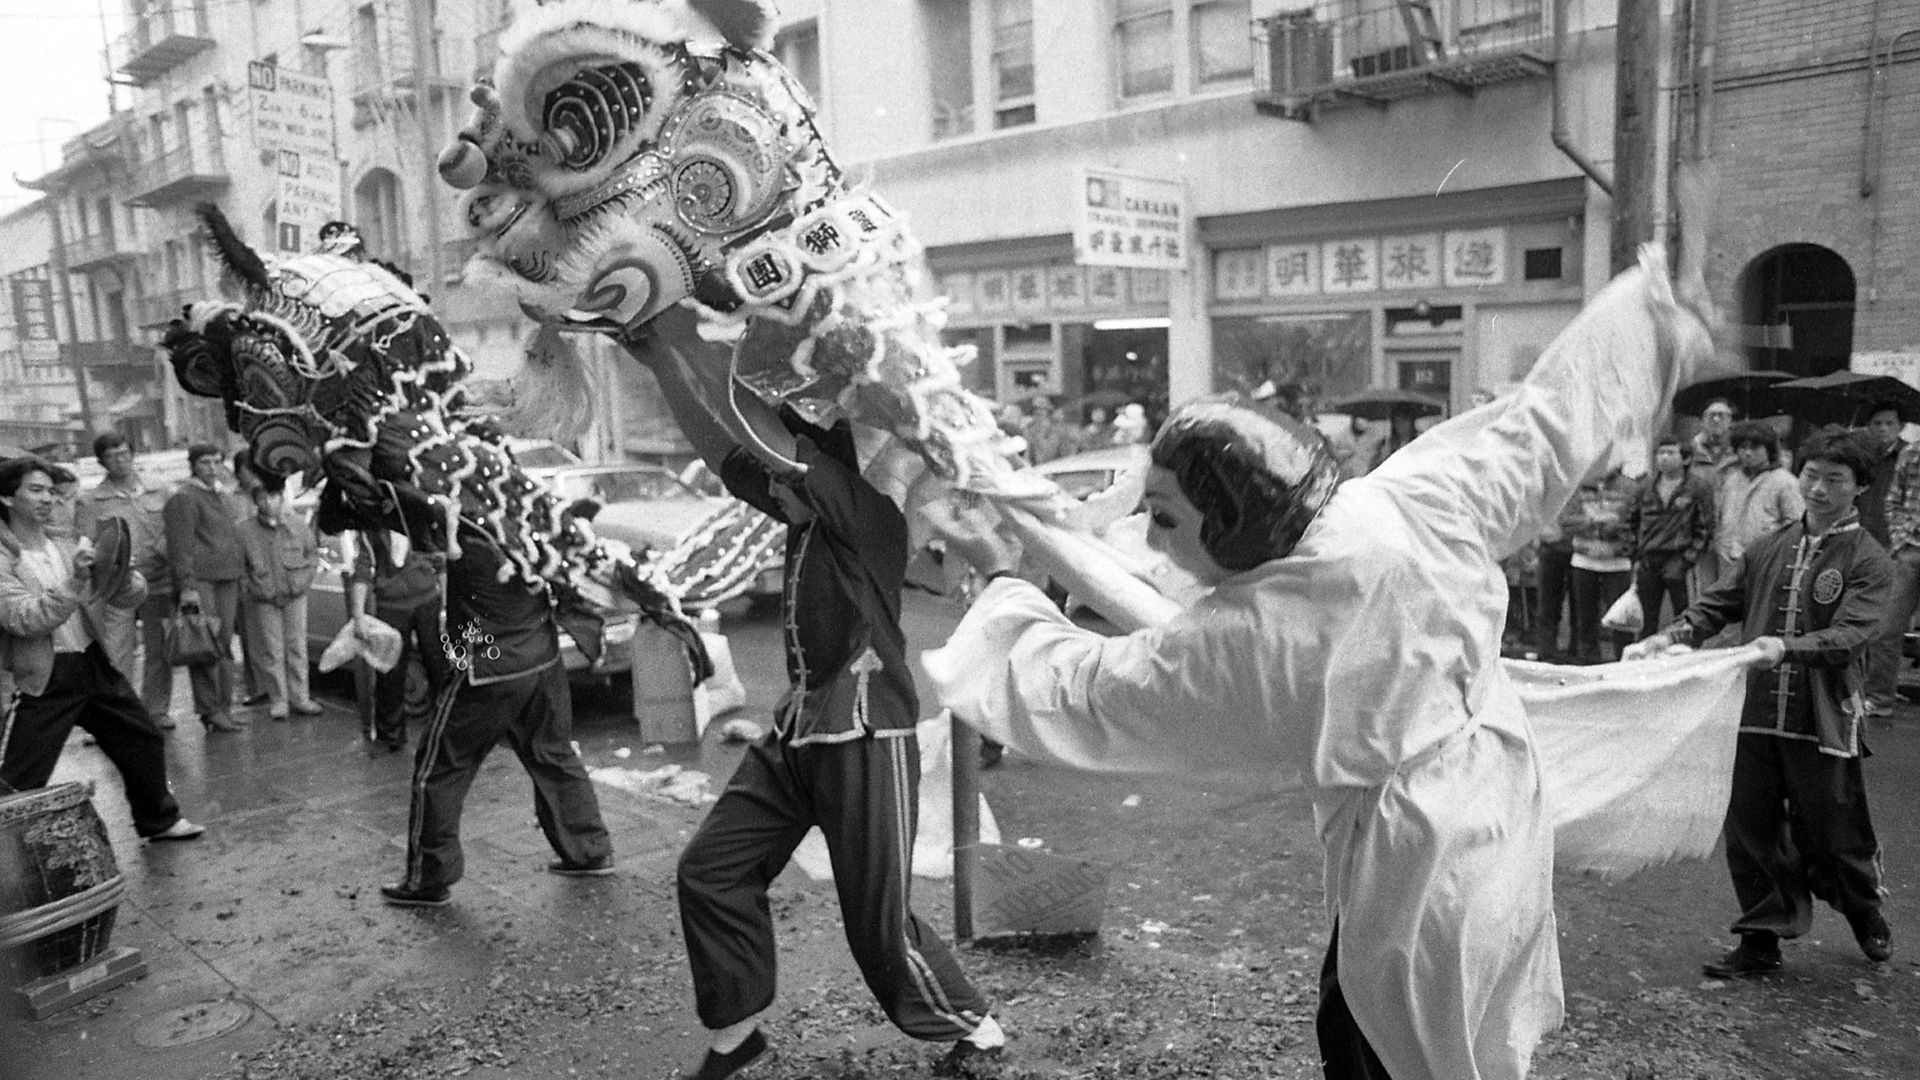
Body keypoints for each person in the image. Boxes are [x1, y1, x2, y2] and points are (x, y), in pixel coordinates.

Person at [925, 249, 1716, 1080]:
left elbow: (1090, 692)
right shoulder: (1409, 495)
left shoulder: (1254, 634)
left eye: (1162, 517)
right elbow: (1550, 418)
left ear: (1233, 518)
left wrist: (1009, 586)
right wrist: (1650, 314)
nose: (1152, 540)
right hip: (1497, 816)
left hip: (1418, 864)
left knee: (1386, 1041)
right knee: (1417, 1029)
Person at [635, 325, 1004, 1080]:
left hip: (866, 731)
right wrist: (660, 359)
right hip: (799, 730)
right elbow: (726, 453)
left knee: (878, 926)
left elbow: (762, 446)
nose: (767, 492)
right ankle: (737, 1034)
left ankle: (976, 1027)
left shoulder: (865, 514)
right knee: (710, 871)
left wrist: (680, 332)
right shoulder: (809, 514)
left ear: (815, 470)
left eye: (782, 479)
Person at [1627, 427, 1894, 977]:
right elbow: (1718, 602)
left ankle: (1863, 909)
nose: (1818, 490)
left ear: (1860, 487)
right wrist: (1673, 634)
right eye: (1811, 476)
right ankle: (1760, 941)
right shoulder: (1770, 547)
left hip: (1822, 717)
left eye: (1834, 480)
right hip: (1752, 714)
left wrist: (1785, 646)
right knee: (1751, 831)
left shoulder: (1869, 559)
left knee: (1835, 834)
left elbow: (1852, 634)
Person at [375, 503, 617, 906]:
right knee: (553, 755)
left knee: (439, 767)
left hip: (491, 667)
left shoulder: (470, 542)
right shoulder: (526, 531)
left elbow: (461, 623)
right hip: (542, 659)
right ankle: (590, 850)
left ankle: (429, 877)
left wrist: (457, 659)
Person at [0, 456, 204, 842]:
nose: (47, 499)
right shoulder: (4, 557)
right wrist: (76, 581)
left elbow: (123, 597)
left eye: (51, 491)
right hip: (41, 676)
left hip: (91, 661)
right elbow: (24, 618)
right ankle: (10, 854)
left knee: (142, 736)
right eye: (35, 490)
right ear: (8, 499)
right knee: (19, 777)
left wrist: (123, 574)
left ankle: (159, 820)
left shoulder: (66, 542)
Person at [74, 432, 178, 729]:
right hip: (116, 585)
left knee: (160, 650)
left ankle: (156, 710)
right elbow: (84, 543)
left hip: (158, 579)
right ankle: (119, 716)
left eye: (123, 453)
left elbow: (176, 531)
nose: (119, 460)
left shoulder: (159, 490)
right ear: (101, 462)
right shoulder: (91, 500)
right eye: (111, 456)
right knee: (118, 651)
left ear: (132, 454)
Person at [163, 444, 248, 732]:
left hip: (227, 577)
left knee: (222, 643)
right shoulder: (184, 498)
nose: (212, 468)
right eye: (204, 462)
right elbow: (180, 547)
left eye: (216, 461)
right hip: (201, 580)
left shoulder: (222, 495)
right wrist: (186, 586)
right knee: (203, 644)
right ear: (193, 465)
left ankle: (222, 707)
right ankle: (211, 709)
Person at [349, 528, 447, 751]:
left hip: (427, 601)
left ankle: (449, 729)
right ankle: (390, 736)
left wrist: (444, 607)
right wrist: (358, 616)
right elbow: (362, 570)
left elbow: (441, 564)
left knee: (438, 666)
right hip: (391, 605)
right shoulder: (370, 530)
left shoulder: (418, 519)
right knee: (390, 671)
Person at [236, 481, 322, 721]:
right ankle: (278, 700)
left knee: (297, 647)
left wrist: (303, 582)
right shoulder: (244, 531)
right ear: (256, 501)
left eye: (273, 497)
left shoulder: (297, 524)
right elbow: (241, 569)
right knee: (272, 651)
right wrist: (255, 589)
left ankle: (300, 697)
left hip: (295, 594)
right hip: (264, 598)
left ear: (281, 498)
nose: (269, 503)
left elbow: (312, 554)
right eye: (263, 498)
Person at [1627, 435, 1715, 634]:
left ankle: (1684, 658)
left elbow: (1705, 528)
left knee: (1686, 618)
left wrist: (1687, 560)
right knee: (1645, 618)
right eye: (1660, 453)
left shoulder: (1698, 488)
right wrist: (1635, 555)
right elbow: (1631, 522)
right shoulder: (1645, 487)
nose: (1664, 458)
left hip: (1680, 560)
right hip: (1649, 560)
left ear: (1685, 459)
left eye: (1670, 453)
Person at [1857, 403, 1907, 717]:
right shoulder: (1862, 456)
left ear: (1900, 426)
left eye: (1890, 423)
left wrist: (1898, 540)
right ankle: (1875, 690)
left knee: (1888, 623)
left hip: (1896, 544)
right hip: (1866, 541)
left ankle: (1881, 689)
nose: (1883, 429)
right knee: (1871, 620)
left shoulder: (1907, 455)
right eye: (1877, 423)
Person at [1565, 466, 1637, 663]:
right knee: (1585, 619)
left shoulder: (1630, 487)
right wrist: (1596, 521)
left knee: (1620, 619)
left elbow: (1632, 521)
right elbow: (1567, 521)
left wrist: (1614, 528)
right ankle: (1588, 663)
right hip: (1583, 561)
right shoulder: (1578, 484)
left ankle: (1624, 664)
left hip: (1618, 562)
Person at [1712, 421, 1804, 575]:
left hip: (1766, 564)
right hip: (1729, 561)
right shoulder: (1732, 480)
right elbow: (1721, 517)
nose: (1748, 453)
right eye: (1743, 448)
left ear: (1768, 449)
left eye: (1754, 448)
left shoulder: (1785, 482)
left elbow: (1796, 526)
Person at [1689, 398, 1741, 592]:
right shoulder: (1691, 453)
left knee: (1731, 588)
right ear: (1703, 420)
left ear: (1731, 422)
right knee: (1705, 588)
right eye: (1711, 415)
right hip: (1700, 529)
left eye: (1722, 416)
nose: (1716, 420)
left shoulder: (1741, 453)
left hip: (1731, 528)